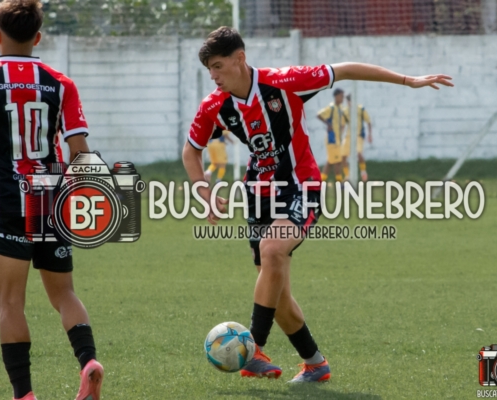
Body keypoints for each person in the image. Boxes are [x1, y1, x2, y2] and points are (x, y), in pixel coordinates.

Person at [182, 26, 452, 383]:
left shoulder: (285, 82)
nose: (213, 76)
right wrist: (204, 192)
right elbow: (191, 151)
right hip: (259, 195)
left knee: (272, 250)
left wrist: (408, 80)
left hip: (301, 187)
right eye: (209, 70)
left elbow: (347, 69)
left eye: (218, 66)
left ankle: (253, 347)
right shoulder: (215, 105)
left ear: (240, 59)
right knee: (276, 294)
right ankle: (315, 363)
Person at [0, 1, 103, 399]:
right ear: (38, 37)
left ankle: (25, 395)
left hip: (6, 203)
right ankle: (88, 361)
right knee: (64, 294)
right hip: (49, 199)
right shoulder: (61, 84)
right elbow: (80, 151)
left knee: (9, 302)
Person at [341, 94, 372, 181]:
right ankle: (347, 175)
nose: (350, 103)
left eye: (351, 101)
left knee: (359, 153)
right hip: (348, 136)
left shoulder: (361, 109)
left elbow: (368, 122)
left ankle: (363, 172)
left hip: (358, 135)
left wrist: (370, 134)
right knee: (343, 156)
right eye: (348, 101)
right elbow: (342, 125)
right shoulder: (345, 111)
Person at [317, 88, 345, 182]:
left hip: (337, 139)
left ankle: (321, 181)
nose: (342, 98)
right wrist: (328, 124)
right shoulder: (331, 107)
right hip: (331, 138)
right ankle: (340, 182)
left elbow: (341, 123)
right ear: (336, 96)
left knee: (330, 161)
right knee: (337, 161)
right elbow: (319, 115)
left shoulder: (340, 108)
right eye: (341, 96)